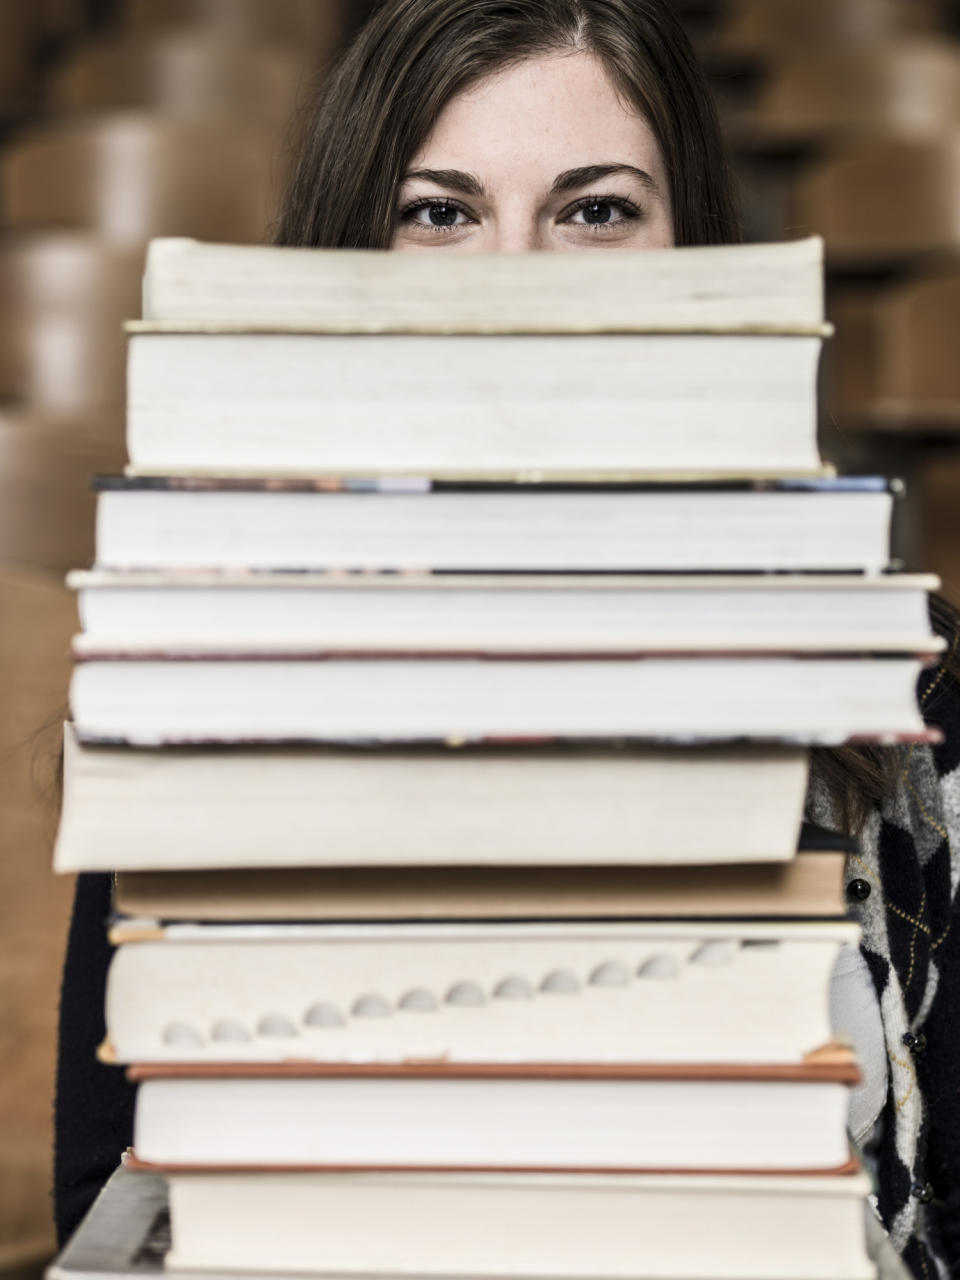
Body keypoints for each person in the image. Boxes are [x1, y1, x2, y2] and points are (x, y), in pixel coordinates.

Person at [55, 1, 960, 1274]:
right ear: (350, 263)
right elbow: (113, 1188)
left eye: (595, 211)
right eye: (440, 212)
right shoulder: (209, 665)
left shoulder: (900, 667)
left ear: (692, 251)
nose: (516, 281)